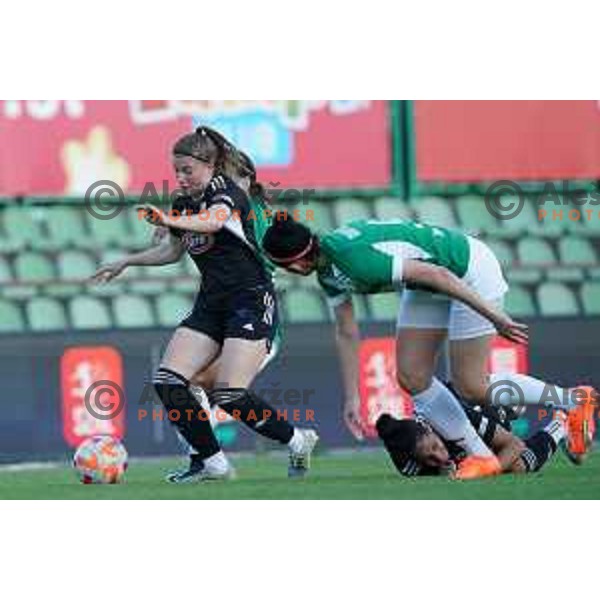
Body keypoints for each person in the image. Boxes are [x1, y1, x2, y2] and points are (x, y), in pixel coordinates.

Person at [262, 217, 596, 476]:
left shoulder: (353, 259)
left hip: (466, 271)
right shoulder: (328, 271)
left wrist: (494, 315)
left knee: (472, 385)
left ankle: (572, 400)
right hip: (426, 284)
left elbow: (439, 274)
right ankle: (481, 457)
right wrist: (352, 396)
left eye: (281, 266)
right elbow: (347, 332)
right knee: (412, 376)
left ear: (296, 262)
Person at [93, 127, 318, 482]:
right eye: (176, 171)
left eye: (187, 170)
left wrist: (169, 220)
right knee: (168, 382)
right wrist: (127, 261)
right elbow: (172, 251)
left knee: (229, 395)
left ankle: (298, 440)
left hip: (250, 300)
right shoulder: (183, 204)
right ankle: (214, 463)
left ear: (210, 165)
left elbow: (213, 221)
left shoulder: (225, 193)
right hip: (212, 302)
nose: (181, 177)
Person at [376, 400, 587, 480]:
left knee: (516, 465)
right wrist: (440, 472)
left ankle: (562, 423)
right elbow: (436, 471)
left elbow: (515, 444)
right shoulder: (405, 461)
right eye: (429, 458)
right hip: (464, 429)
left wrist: (485, 470)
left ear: (429, 429)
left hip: (479, 409)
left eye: (434, 446)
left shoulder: (452, 418)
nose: (438, 456)